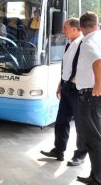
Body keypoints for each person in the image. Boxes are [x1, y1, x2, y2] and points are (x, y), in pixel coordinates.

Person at [40, 18, 87, 166]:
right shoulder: (69, 44)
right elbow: (66, 68)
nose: (63, 30)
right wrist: (60, 84)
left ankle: (79, 156)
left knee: (81, 125)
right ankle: (58, 150)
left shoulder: (84, 44)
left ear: (75, 29)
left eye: (65, 27)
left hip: (77, 90)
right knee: (61, 121)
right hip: (66, 88)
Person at [75, 12, 101, 185]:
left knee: (93, 139)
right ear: (96, 23)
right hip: (93, 96)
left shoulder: (88, 41)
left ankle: (97, 178)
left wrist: (98, 85)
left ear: (82, 28)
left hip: (90, 96)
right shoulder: (99, 37)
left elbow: (98, 61)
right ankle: (95, 175)